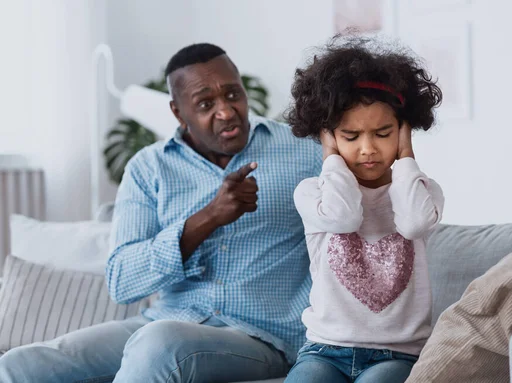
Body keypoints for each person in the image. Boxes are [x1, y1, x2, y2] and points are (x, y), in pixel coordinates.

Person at [0, 43, 321, 383]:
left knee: (160, 346)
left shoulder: (303, 151)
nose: (226, 111)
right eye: (205, 104)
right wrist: (209, 217)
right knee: (18, 365)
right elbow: (123, 281)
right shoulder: (148, 168)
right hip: (162, 321)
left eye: (233, 94)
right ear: (178, 112)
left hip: (261, 337)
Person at [283, 35, 445, 383]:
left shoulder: (423, 191)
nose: (368, 148)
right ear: (329, 135)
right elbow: (343, 217)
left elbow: (415, 224)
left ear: (404, 130)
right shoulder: (311, 193)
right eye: (351, 136)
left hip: (398, 354)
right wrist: (331, 160)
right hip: (325, 350)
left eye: (383, 133)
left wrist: (406, 159)